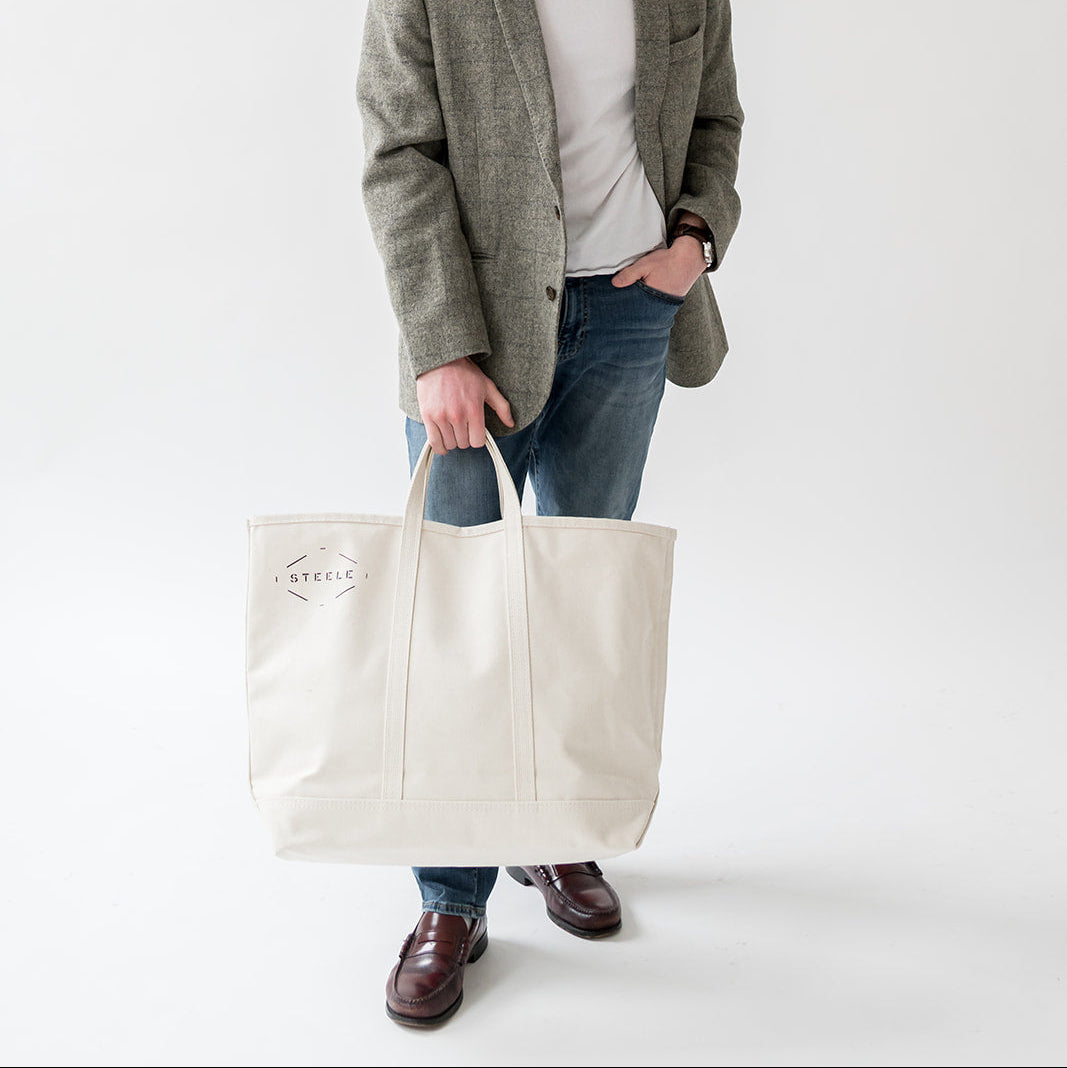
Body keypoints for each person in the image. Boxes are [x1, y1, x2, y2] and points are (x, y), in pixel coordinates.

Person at [356, 0, 743, 1026]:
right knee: (458, 624)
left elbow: (714, 119)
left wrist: (694, 241)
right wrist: (439, 345)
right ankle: (449, 898)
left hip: (629, 316)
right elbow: (401, 152)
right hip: (476, 336)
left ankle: (552, 825)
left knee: (577, 604)